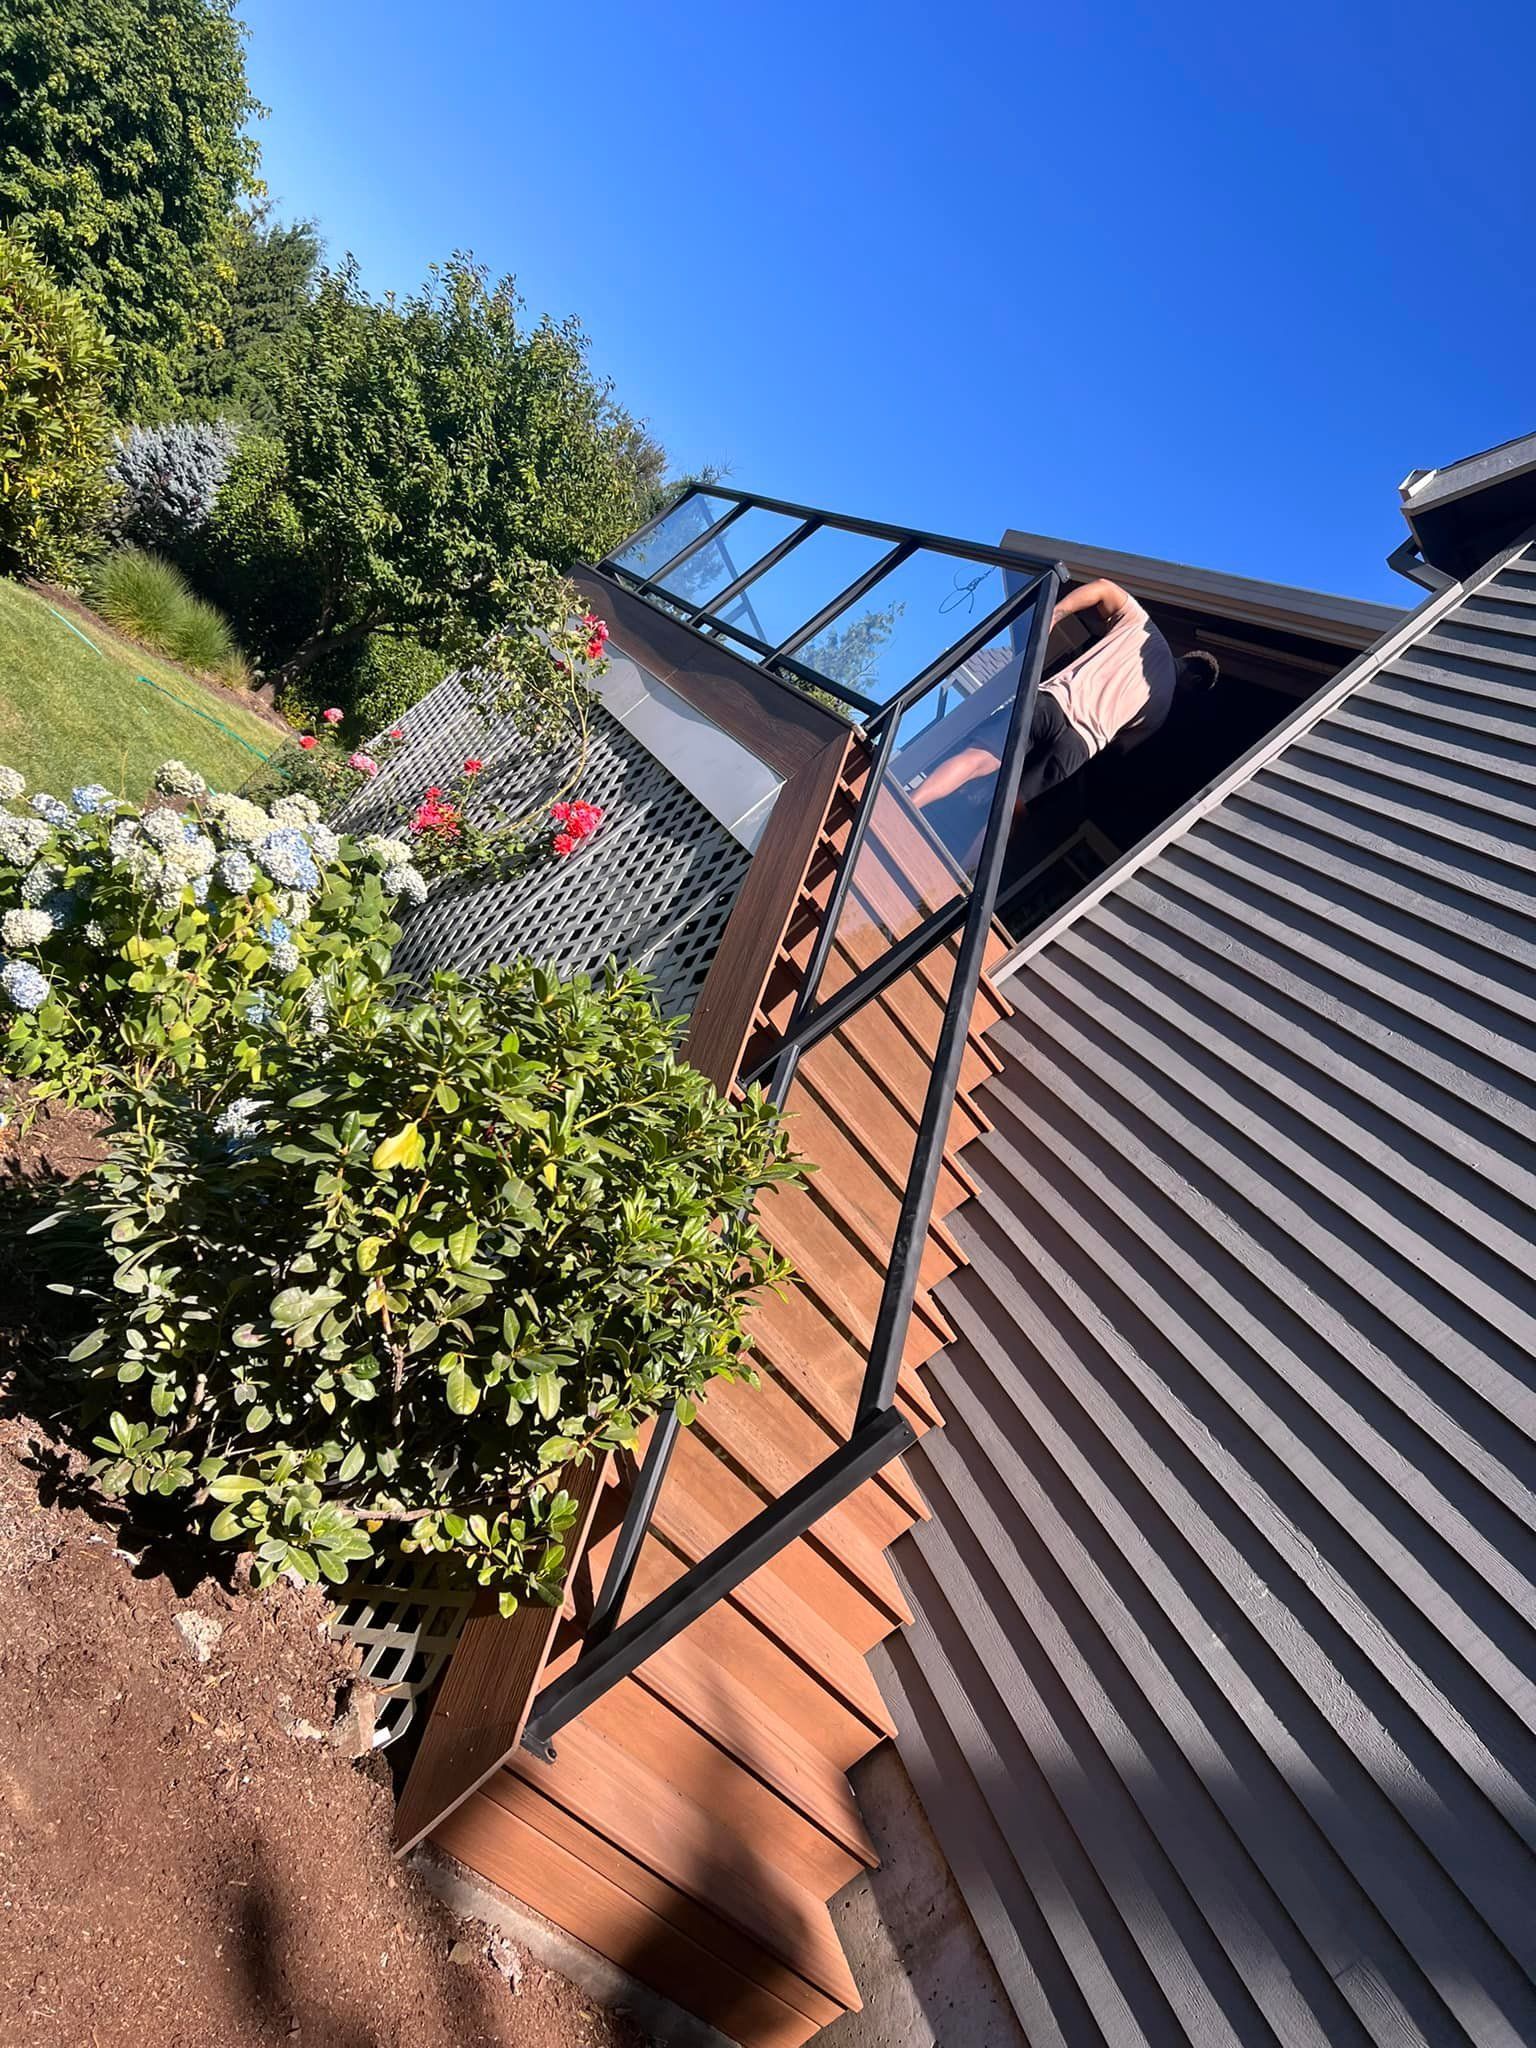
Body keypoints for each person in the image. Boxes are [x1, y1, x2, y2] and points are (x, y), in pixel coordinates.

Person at [910, 578, 1219, 853]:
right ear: (1193, 683)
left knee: (982, 757)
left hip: (1055, 701)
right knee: (1015, 805)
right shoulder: (1162, 708)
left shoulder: (1142, 627)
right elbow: (1122, 746)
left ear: (1186, 660)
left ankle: (914, 803)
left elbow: (1104, 588)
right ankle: (961, 882)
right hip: (1079, 744)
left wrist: (1056, 613)